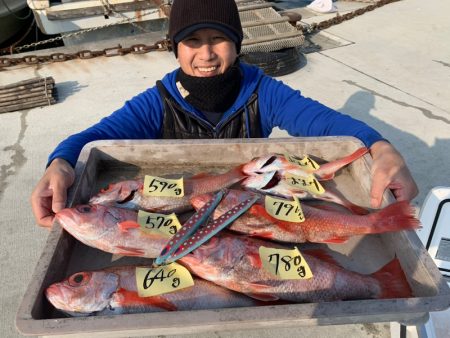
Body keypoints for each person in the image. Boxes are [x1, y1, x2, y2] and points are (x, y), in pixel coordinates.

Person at [31, 0, 418, 228]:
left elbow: (328, 124)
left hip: (251, 206)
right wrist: (61, 163)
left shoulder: (262, 91)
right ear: (175, 48)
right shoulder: (157, 101)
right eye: (192, 41)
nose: (206, 54)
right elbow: (91, 140)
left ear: (237, 43)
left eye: (218, 38)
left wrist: (381, 148)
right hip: (180, 211)